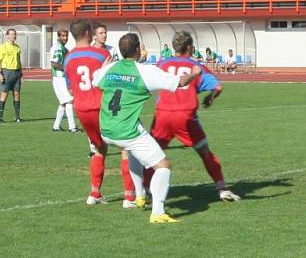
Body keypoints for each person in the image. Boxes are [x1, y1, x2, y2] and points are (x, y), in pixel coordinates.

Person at [92, 32, 202, 223]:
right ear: (137, 50)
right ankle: (158, 212)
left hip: (106, 130)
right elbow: (180, 82)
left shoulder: (109, 69)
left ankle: (140, 196)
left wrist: (107, 68)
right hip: (126, 131)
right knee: (164, 167)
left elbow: (95, 79)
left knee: (133, 151)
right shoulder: (146, 71)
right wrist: (194, 73)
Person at [149, 31, 241, 202]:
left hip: (162, 115)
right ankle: (222, 189)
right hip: (186, 116)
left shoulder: (161, 63)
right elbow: (218, 87)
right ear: (190, 47)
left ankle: (143, 192)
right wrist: (210, 97)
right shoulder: (196, 66)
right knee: (205, 153)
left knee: (151, 155)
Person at [64, 19, 139, 208]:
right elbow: (114, 81)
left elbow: (71, 89)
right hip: (101, 108)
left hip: (81, 109)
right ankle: (129, 197)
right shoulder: (102, 55)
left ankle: (94, 193)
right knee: (125, 148)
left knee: (99, 149)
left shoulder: (68, 58)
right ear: (89, 33)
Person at [50, 28, 77, 132]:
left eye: (66, 36)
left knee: (63, 102)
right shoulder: (57, 48)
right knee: (70, 100)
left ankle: (56, 126)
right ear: (58, 36)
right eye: (62, 36)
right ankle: (72, 127)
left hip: (62, 78)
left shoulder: (64, 49)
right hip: (59, 77)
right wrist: (67, 69)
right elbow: (54, 63)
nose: (65, 38)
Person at [0, 28, 23, 123]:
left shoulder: (17, 47)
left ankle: (17, 117)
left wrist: (21, 73)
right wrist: (0, 73)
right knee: (4, 94)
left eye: (14, 34)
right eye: (11, 34)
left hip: (16, 73)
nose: (13, 36)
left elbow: (19, 61)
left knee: (17, 94)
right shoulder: (3, 47)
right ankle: (0, 117)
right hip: (6, 72)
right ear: (7, 35)